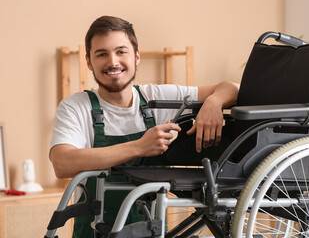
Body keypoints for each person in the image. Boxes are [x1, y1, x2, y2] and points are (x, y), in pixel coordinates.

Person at [50, 15, 239, 237]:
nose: (113, 62)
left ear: (136, 56)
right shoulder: (75, 107)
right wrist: (140, 147)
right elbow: (62, 163)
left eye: (121, 51)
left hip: (152, 230)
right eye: (102, 54)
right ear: (89, 62)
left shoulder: (156, 97)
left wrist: (213, 102)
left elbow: (233, 88)